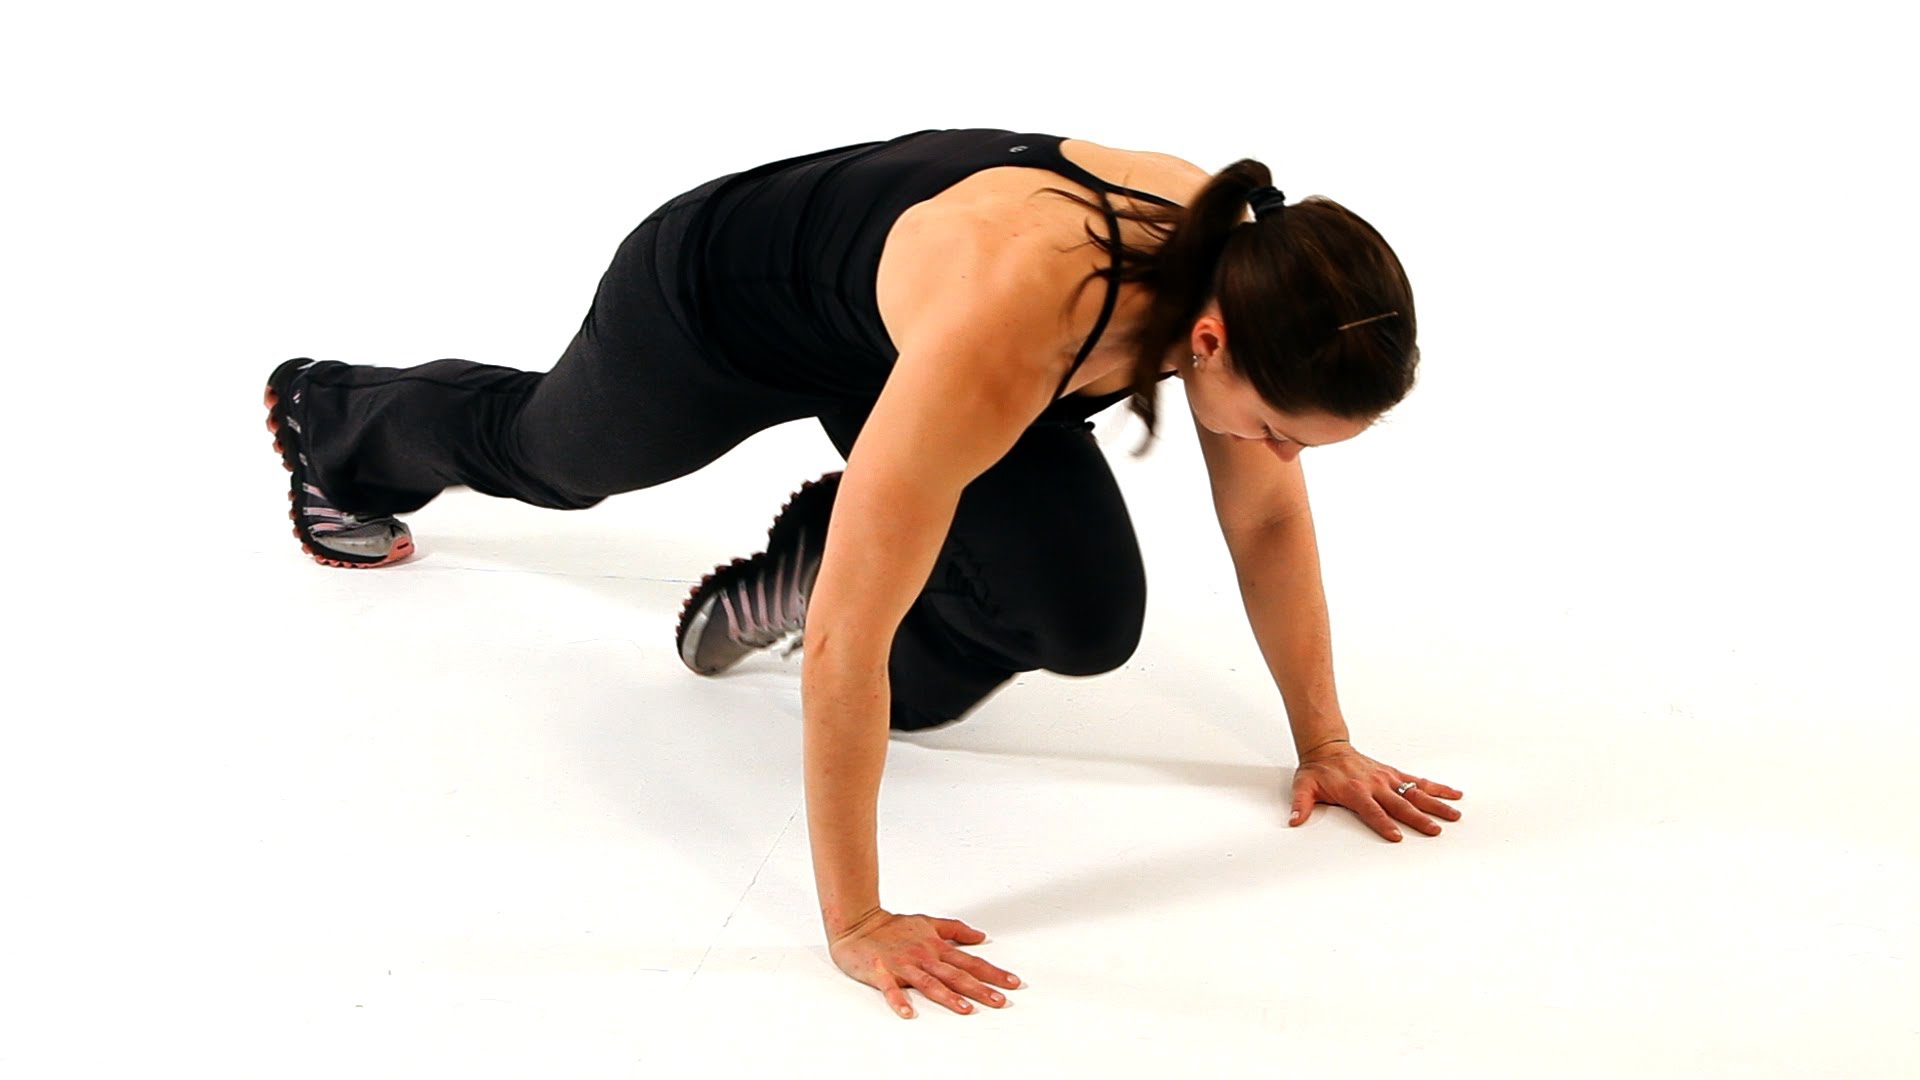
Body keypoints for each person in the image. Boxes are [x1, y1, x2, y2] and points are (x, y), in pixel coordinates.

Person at [261, 127, 1465, 1020]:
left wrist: (1325, 739)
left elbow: (1266, 525)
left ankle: (808, 548)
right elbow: (851, 638)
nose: (1278, 460)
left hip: (908, 338)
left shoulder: (1248, 277)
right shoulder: (1023, 321)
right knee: (552, 458)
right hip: (724, 304)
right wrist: (857, 920)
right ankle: (338, 419)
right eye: (1279, 433)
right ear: (1209, 340)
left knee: (1084, 619)